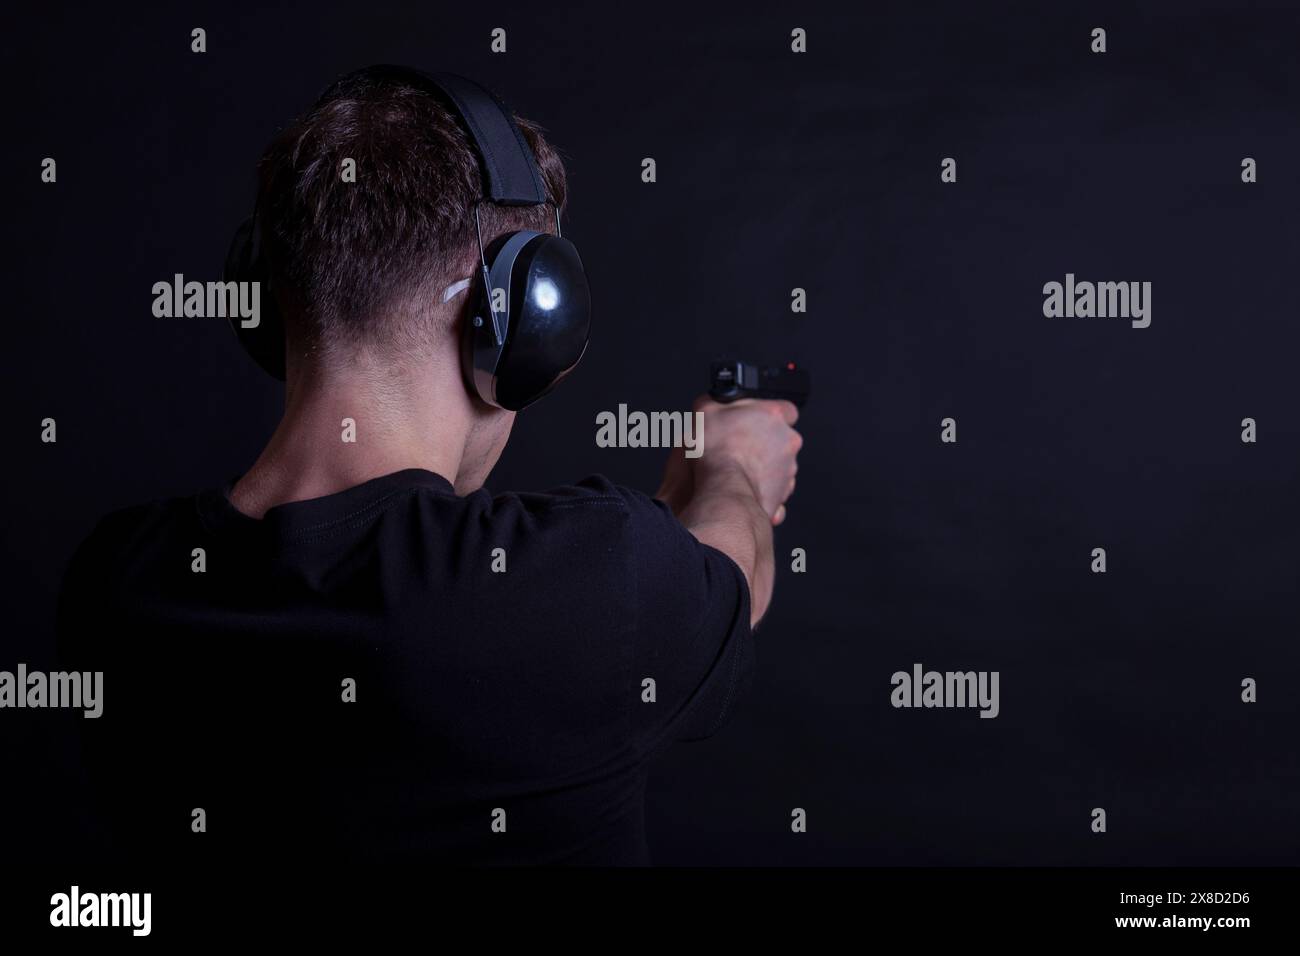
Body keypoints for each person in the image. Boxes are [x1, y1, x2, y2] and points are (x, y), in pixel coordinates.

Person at [56, 66, 802, 865]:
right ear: (530, 314)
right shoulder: (599, 583)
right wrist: (731, 467)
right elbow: (733, 572)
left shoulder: (116, 581)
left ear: (268, 297)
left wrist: (675, 522)